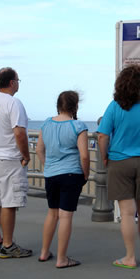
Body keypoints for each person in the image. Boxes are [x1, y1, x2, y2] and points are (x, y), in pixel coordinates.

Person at [97, 64, 140, 269]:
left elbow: (103, 135)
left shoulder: (114, 107)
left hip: (119, 162)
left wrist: (105, 157)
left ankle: (129, 257)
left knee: (127, 212)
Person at [36, 91, 89, 269]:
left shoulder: (46, 123)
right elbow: (84, 156)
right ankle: (62, 258)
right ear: (75, 106)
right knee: (66, 215)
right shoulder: (78, 126)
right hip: (71, 174)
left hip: (51, 175)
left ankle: (44, 252)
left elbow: (39, 150)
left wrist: (49, 166)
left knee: (52, 213)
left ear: (58, 105)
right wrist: (86, 174)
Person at [0, 67, 32, 259]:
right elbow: (19, 132)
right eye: (18, 80)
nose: (19, 83)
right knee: (9, 202)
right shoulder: (13, 103)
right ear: (12, 82)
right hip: (9, 158)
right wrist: (25, 155)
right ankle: (9, 245)